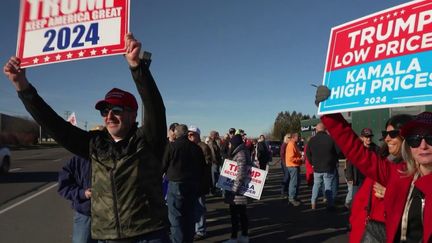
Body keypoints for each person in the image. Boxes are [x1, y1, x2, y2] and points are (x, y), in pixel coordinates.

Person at [3, 33, 170, 242]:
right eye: (105, 111)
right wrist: (23, 87)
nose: (109, 116)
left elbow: (156, 108)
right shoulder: (95, 144)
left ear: (133, 114)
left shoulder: (146, 141)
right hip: (105, 237)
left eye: (116, 110)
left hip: (148, 235)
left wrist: (137, 68)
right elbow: (55, 126)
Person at [316, 86, 432, 242]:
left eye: (430, 138)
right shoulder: (399, 173)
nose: (423, 145)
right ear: (408, 145)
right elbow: (356, 150)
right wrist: (329, 111)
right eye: (415, 139)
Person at [348, 115, 412, 242]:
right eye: (385, 133)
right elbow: (353, 156)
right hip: (364, 231)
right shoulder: (383, 159)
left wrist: (391, 194)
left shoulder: (411, 169)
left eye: (393, 133)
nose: (387, 138)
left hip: (382, 234)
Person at [162, 124, 205, 243]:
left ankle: (178, 240)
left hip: (176, 184)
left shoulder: (172, 147)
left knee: (176, 217)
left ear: (176, 133)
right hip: (192, 184)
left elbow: (163, 164)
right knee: (189, 215)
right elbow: (203, 168)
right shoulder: (196, 148)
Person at [58, 156, 97, 243]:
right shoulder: (78, 159)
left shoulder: (115, 156)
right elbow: (64, 186)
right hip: (86, 215)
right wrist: (83, 193)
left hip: (111, 218)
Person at [223, 134, 251, 243]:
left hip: (238, 191)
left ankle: (234, 238)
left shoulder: (240, 154)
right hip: (239, 190)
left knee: (236, 215)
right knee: (241, 214)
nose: (229, 145)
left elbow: (240, 174)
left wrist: (234, 189)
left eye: (230, 143)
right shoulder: (241, 152)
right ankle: (243, 236)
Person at [187, 125, 212, 240]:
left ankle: (201, 230)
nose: (189, 136)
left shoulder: (203, 147)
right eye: (188, 134)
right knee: (192, 207)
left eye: (192, 134)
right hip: (190, 181)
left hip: (200, 182)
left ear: (197, 135)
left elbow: (207, 164)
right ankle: (195, 229)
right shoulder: (189, 146)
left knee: (199, 207)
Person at [306, 123, 339, 210]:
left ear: (316, 130)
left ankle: (313, 204)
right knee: (328, 186)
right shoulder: (330, 139)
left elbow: (307, 154)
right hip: (328, 167)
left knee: (316, 186)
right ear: (325, 130)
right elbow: (338, 152)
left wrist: (312, 162)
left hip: (316, 168)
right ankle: (330, 204)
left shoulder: (311, 140)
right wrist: (333, 160)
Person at [284, 132, 303, 206]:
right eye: (298, 137)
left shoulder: (293, 144)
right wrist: (300, 159)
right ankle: (291, 199)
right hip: (293, 166)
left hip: (294, 165)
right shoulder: (291, 144)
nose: (299, 138)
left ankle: (293, 197)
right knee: (293, 183)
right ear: (293, 137)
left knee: (296, 182)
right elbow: (291, 158)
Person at [208, 130, 223, 196]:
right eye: (217, 135)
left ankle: (214, 190)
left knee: (215, 176)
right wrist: (216, 161)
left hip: (216, 162)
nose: (218, 136)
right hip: (214, 162)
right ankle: (213, 191)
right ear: (213, 135)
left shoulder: (214, 142)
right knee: (214, 177)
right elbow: (213, 153)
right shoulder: (211, 143)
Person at [280, 134, 290, 198]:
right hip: (285, 163)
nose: (290, 138)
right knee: (286, 177)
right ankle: (283, 191)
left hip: (286, 163)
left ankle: (285, 190)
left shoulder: (287, 144)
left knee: (287, 177)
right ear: (286, 138)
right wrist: (285, 162)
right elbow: (282, 154)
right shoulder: (284, 144)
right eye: (289, 137)